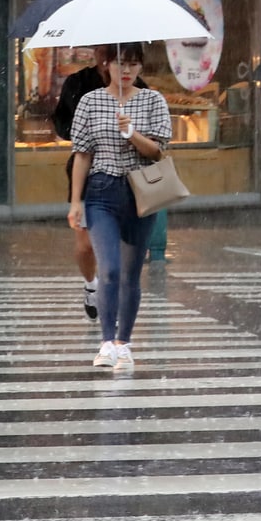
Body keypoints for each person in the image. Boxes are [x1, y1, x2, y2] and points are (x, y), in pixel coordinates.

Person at [66, 42, 171, 371]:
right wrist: (75, 201)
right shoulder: (90, 101)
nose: (126, 70)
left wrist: (132, 133)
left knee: (130, 274)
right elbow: (82, 154)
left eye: (133, 63)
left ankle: (124, 343)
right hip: (101, 191)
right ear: (106, 65)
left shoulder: (153, 100)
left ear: (141, 67)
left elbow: (157, 151)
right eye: (120, 62)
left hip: (141, 192)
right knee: (108, 270)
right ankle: (106, 342)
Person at [54, 44, 148, 321]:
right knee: (85, 246)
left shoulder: (139, 87)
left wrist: (131, 131)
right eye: (102, 52)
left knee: (119, 245)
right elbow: (62, 123)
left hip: (127, 175)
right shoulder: (78, 83)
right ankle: (90, 283)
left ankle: (112, 294)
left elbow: (152, 134)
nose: (123, 67)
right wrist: (86, 132)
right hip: (88, 175)